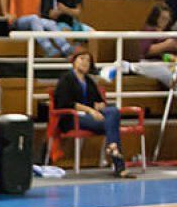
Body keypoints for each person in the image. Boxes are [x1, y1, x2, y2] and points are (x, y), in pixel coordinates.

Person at [54, 48, 130, 177]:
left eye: (88, 60)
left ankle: (113, 148)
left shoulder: (89, 81)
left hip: (90, 117)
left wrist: (99, 105)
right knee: (111, 124)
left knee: (113, 112)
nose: (85, 62)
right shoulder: (66, 79)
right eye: (82, 59)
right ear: (74, 61)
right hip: (71, 118)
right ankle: (118, 164)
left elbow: (99, 100)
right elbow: (66, 103)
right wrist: (90, 110)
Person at [0, 0, 72, 59]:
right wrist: (6, 13)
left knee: (50, 23)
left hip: (33, 20)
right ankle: (48, 48)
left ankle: (64, 46)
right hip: (18, 21)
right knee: (34, 18)